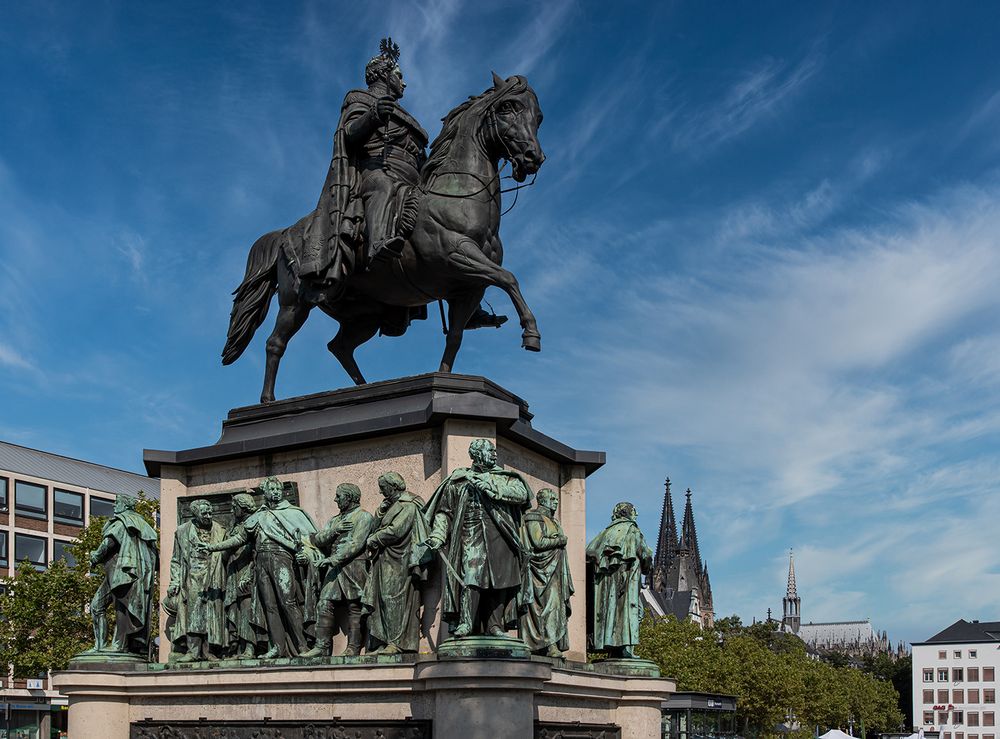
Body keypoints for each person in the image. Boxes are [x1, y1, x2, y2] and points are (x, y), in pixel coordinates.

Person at [299, 37, 428, 283]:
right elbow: (348, 134)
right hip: (374, 171)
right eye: (399, 76)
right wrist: (374, 116)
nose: (404, 82)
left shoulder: (407, 116)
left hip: (412, 180)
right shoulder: (360, 98)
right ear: (383, 74)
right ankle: (377, 244)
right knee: (383, 186)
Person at [424, 438, 531, 638]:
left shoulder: (503, 477)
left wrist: (490, 486)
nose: (494, 454)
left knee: (500, 580)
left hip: (500, 533)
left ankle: (495, 626)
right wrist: (438, 534)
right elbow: (444, 512)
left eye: (494, 451)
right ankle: (466, 622)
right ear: (476, 454)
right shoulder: (458, 480)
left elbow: (522, 494)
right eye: (490, 450)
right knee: (471, 576)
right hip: (470, 533)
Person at [204, 476, 318, 658]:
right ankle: (278, 647)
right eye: (271, 490)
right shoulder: (258, 516)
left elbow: (311, 540)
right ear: (265, 493)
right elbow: (239, 539)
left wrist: (306, 554)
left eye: (278, 489)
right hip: (261, 563)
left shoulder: (293, 513)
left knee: (288, 603)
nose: (275, 493)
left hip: (282, 559)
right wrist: (213, 547)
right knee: (269, 606)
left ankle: (302, 645)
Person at [299, 483, 375, 657]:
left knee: (354, 605)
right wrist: (335, 531)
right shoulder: (335, 520)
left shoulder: (364, 517)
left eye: (339, 496)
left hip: (354, 567)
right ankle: (322, 646)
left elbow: (356, 544)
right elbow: (317, 539)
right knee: (324, 604)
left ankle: (353, 648)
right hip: (335, 569)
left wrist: (332, 560)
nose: (336, 499)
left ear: (349, 497)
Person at [361, 472, 429, 654]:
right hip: (384, 561)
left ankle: (397, 642)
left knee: (394, 600)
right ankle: (383, 640)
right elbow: (375, 527)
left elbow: (396, 530)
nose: (380, 491)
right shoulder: (389, 506)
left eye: (383, 487)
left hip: (400, 562)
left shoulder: (408, 506)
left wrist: (374, 539)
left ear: (393, 486)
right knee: (382, 600)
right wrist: (380, 513)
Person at [86, 495, 158, 655]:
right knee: (98, 606)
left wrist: (95, 556)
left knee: (121, 608)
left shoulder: (123, 521)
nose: (114, 506)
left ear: (125, 506)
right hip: (126, 574)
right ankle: (100, 646)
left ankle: (119, 645)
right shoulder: (144, 525)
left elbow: (108, 543)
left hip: (126, 573)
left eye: (117, 503)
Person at [586, 501, 652, 658]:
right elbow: (646, 555)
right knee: (631, 612)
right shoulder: (633, 531)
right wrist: (647, 566)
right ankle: (626, 649)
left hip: (606, 586)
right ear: (631, 513)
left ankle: (613, 650)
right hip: (627, 580)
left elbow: (589, 552)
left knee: (612, 613)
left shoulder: (604, 533)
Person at [167, 499, 228, 662]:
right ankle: (193, 651)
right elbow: (176, 559)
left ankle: (209, 651)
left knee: (212, 614)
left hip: (215, 574)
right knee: (193, 613)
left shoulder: (220, 530)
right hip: (192, 576)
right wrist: (174, 581)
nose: (208, 516)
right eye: (204, 513)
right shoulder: (182, 531)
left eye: (210, 512)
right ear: (195, 514)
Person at [518, 488, 573, 657]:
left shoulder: (554, 522)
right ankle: (546, 645)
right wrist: (560, 540)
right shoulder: (533, 517)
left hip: (554, 570)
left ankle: (551, 644)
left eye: (557, 499)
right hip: (539, 572)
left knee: (555, 607)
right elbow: (537, 542)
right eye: (553, 499)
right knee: (543, 607)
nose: (556, 502)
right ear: (543, 501)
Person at [222, 492, 267, 659]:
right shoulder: (234, 525)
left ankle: (251, 648)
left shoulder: (253, 524)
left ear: (244, 507)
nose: (233, 510)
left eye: (235, 507)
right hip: (234, 572)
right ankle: (241, 648)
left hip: (249, 572)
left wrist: (249, 573)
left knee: (249, 609)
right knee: (239, 609)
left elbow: (256, 551)